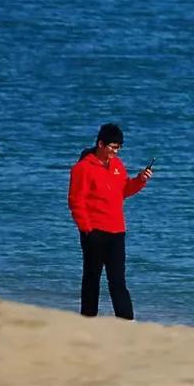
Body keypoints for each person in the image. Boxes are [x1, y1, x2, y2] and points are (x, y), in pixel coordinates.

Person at [67, 123, 153, 319]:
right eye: (113, 147)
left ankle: (126, 320)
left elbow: (123, 191)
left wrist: (140, 180)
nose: (116, 151)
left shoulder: (117, 165)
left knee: (118, 281)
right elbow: (75, 201)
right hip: (94, 232)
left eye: (119, 147)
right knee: (92, 278)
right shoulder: (82, 168)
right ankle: (87, 318)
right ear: (101, 144)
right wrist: (87, 230)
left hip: (116, 232)